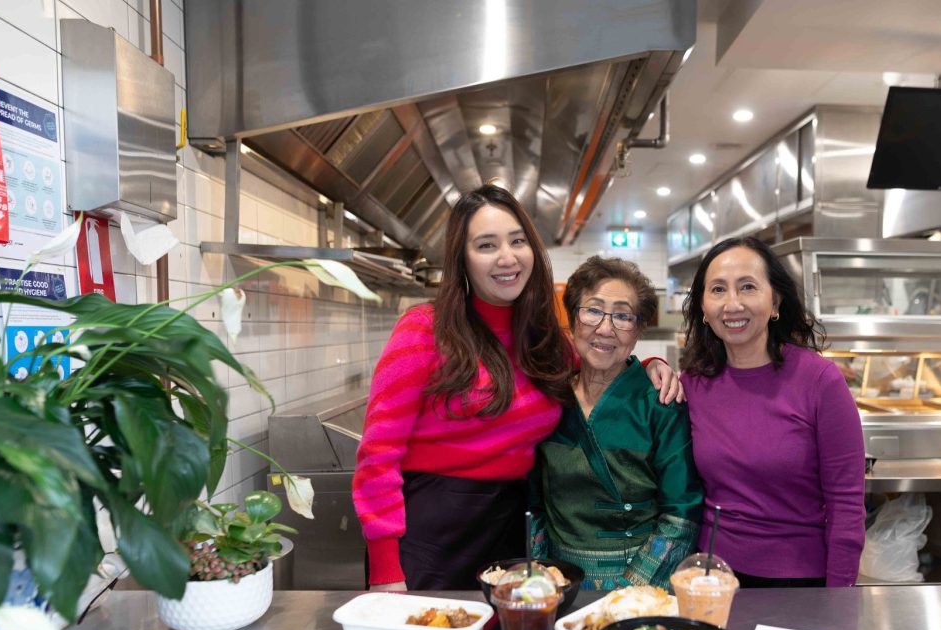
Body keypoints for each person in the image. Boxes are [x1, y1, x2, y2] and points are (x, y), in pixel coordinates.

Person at [351, 185, 680, 591]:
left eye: (518, 241)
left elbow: (601, 361)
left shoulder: (546, 342)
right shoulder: (424, 330)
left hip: (512, 530)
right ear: (463, 259)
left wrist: (649, 366)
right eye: (486, 245)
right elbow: (377, 454)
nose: (507, 258)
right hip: (427, 534)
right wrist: (386, 568)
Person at [681, 236, 865, 587]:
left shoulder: (819, 381)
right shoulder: (693, 383)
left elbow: (847, 505)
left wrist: (839, 599)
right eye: (717, 290)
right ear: (703, 309)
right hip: (712, 579)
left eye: (748, 287)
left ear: (775, 301)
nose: (732, 304)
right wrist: (651, 364)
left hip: (797, 582)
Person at [530, 257, 703, 590]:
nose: (605, 329)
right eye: (593, 310)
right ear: (572, 317)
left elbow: (681, 514)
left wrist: (628, 593)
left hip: (639, 584)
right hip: (555, 581)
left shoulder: (660, 402)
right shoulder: (549, 397)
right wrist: (542, 579)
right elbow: (534, 505)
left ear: (638, 330)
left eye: (623, 316)